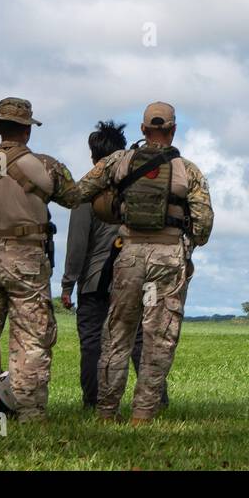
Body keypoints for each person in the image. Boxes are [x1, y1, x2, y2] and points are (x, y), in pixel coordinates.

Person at [73, 103, 213, 424]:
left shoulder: (118, 161)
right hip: (168, 256)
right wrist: (185, 241)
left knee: (117, 332)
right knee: (158, 335)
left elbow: (79, 192)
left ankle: (107, 412)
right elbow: (203, 226)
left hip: (130, 254)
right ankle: (143, 413)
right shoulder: (188, 171)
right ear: (173, 130)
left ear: (142, 129)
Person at [0, 97, 80, 424]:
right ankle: (30, 416)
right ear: (27, 131)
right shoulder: (47, 166)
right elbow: (74, 197)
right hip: (26, 261)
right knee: (31, 340)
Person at [61, 120, 166, 410]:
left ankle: (94, 402)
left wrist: (68, 283)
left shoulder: (87, 190)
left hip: (95, 281)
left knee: (93, 343)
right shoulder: (138, 184)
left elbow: (78, 244)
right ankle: (155, 401)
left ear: (94, 157)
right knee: (140, 341)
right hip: (137, 275)